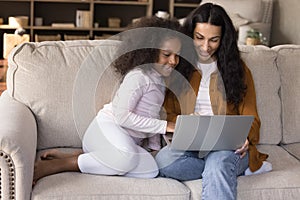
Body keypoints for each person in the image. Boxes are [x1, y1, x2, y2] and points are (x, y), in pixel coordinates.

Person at [33, 16, 184, 183]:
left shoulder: (160, 82)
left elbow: (152, 115)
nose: (173, 61)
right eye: (167, 54)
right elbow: (122, 117)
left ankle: (91, 157)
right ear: (149, 51)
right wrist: (165, 126)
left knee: (151, 170)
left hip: (123, 146)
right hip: (105, 130)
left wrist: (154, 149)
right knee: (126, 157)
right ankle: (61, 164)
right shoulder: (138, 76)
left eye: (177, 55)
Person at [155, 3, 271, 200]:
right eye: (199, 38)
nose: (205, 47)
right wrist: (186, 122)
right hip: (192, 146)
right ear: (190, 34)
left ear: (223, 39)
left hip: (228, 147)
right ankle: (226, 170)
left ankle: (223, 167)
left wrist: (245, 138)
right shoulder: (178, 66)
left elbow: (252, 119)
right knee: (163, 160)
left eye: (213, 40)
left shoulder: (239, 70)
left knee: (219, 161)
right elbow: (167, 112)